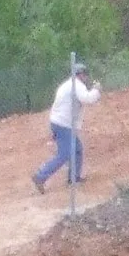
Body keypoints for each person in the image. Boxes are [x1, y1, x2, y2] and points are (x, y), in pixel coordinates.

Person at [33, 63, 100, 192]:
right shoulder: (76, 85)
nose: (86, 77)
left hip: (60, 122)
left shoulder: (68, 85)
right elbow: (87, 99)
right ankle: (40, 176)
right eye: (85, 74)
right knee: (65, 153)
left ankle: (73, 178)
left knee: (77, 150)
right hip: (64, 124)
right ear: (81, 74)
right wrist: (97, 90)